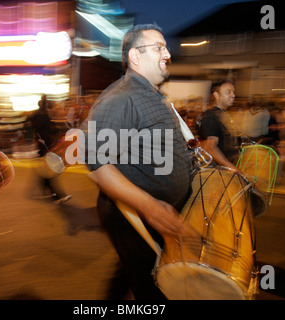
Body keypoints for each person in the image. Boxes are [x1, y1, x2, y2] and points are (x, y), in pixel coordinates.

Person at [84, 24, 193, 300]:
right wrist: (149, 207)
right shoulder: (121, 98)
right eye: (159, 47)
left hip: (154, 215)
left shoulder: (155, 94)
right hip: (133, 216)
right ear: (135, 56)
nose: (167, 53)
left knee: (135, 271)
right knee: (153, 287)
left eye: (166, 47)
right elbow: (97, 165)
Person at [28, 94, 71, 204]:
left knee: (46, 172)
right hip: (46, 147)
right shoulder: (44, 116)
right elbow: (50, 130)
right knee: (50, 172)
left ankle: (44, 190)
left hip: (42, 146)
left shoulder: (35, 115)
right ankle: (57, 195)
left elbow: (33, 129)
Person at [198, 79, 241, 172]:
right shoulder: (211, 115)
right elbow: (211, 147)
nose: (233, 95)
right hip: (218, 171)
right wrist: (232, 168)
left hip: (226, 169)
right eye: (228, 92)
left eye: (233, 92)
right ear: (216, 95)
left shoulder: (224, 113)